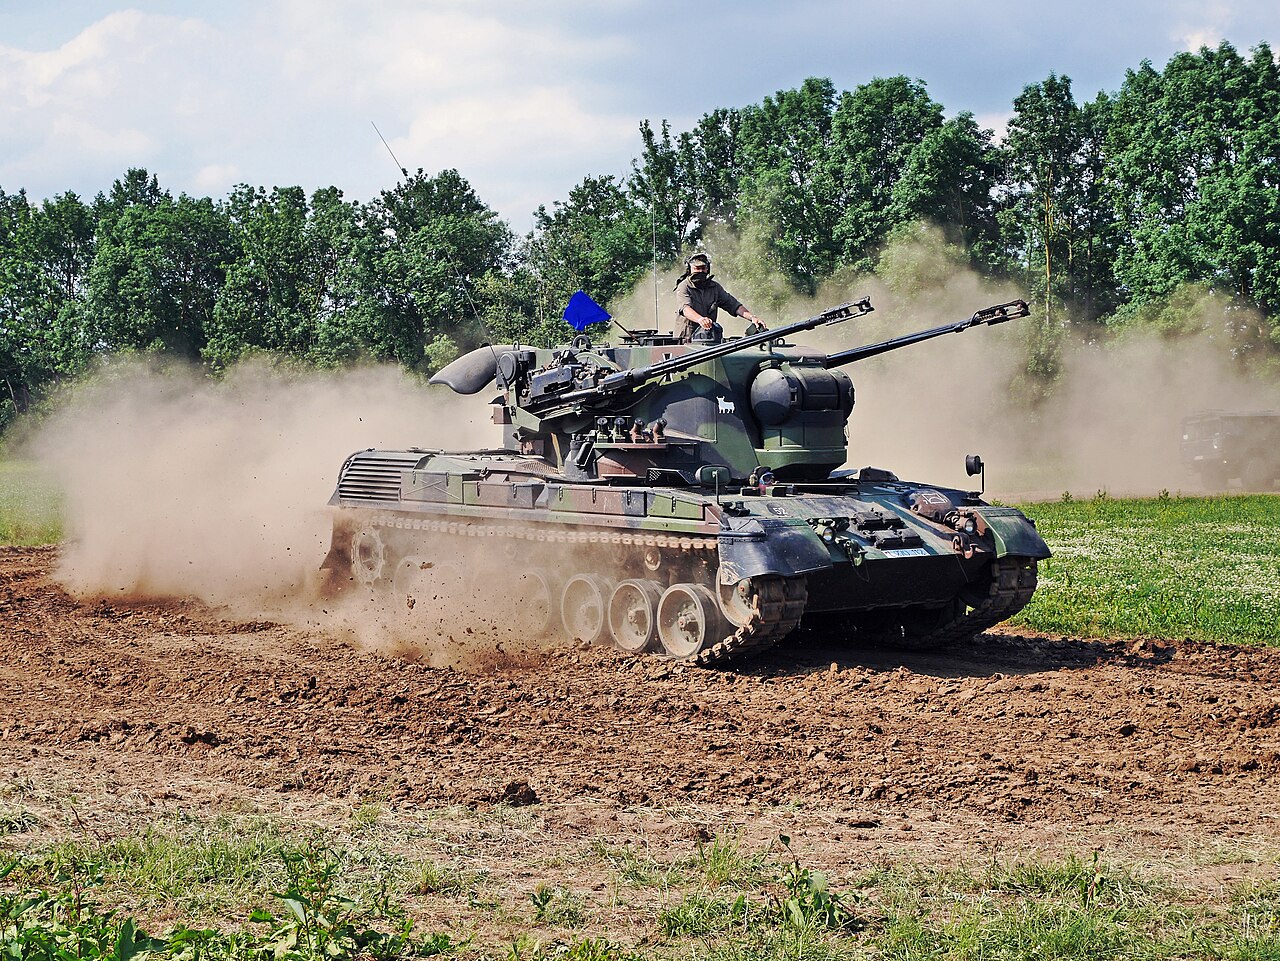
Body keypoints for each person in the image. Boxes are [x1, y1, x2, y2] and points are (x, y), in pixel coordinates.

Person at [674, 253, 766, 343]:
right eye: (697, 268)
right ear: (690, 269)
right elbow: (685, 309)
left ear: (707, 269)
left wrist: (752, 317)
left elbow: (733, 305)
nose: (701, 271)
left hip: (708, 338)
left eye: (703, 268)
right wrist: (700, 319)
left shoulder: (714, 288)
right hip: (686, 340)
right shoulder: (684, 287)